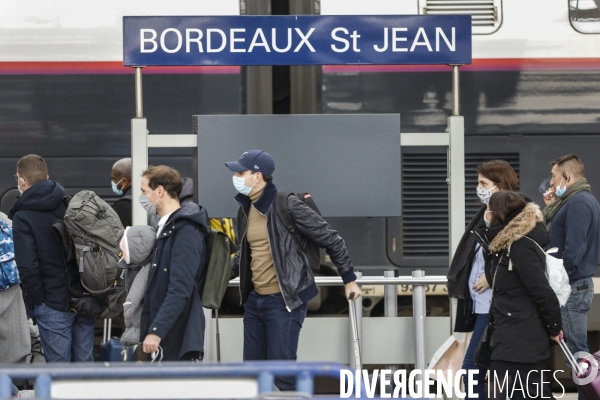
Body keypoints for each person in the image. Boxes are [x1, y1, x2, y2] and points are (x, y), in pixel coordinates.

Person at [225, 150, 362, 391]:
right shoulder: (245, 209)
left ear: (257, 177)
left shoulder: (286, 204)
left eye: (240, 172)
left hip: (284, 301)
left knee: (283, 376)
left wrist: (349, 279)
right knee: (253, 376)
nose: (235, 176)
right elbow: (244, 256)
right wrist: (213, 277)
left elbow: (331, 239)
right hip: (255, 301)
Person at [9, 155, 95, 363]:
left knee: (59, 373)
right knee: (85, 368)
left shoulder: (22, 217)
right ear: (47, 177)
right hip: (83, 298)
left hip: (52, 304)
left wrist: (38, 301)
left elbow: (27, 267)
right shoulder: (69, 204)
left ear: (21, 180)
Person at [478, 191, 562, 400]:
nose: (486, 213)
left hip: (520, 340)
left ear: (499, 214)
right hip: (510, 337)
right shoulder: (503, 247)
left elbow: (541, 291)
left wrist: (554, 327)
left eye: (489, 210)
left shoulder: (519, 247)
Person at [446, 160, 518, 399]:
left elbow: (514, 257)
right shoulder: (484, 216)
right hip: (479, 305)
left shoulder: (511, 218)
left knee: (472, 367)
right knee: (479, 366)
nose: (479, 188)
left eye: (483, 183)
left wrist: (490, 277)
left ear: (500, 187)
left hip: (494, 306)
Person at [542, 154, 600, 399]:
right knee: (576, 358)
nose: (551, 182)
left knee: (578, 361)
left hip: (571, 288)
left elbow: (574, 251)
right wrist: (551, 208)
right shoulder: (577, 201)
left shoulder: (578, 203)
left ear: (567, 176)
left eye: (554, 176)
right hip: (573, 287)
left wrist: (558, 282)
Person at [139, 165, 209, 361]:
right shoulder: (167, 228)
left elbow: (180, 288)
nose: (142, 198)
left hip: (175, 337)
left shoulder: (185, 231)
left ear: (159, 191)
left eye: (144, 191)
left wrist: (156, 330)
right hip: (166, 336)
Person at [119, 225, 156, 349]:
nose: (122, 256)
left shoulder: (144, 271)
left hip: (143, 334)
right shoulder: (137, 268)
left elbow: (133, 300)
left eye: (124, 252)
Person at [111, 158, 132, 228]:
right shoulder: (147, 199)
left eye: (114, 179)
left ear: (124, 182)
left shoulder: (121, 206)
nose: (112, 182)